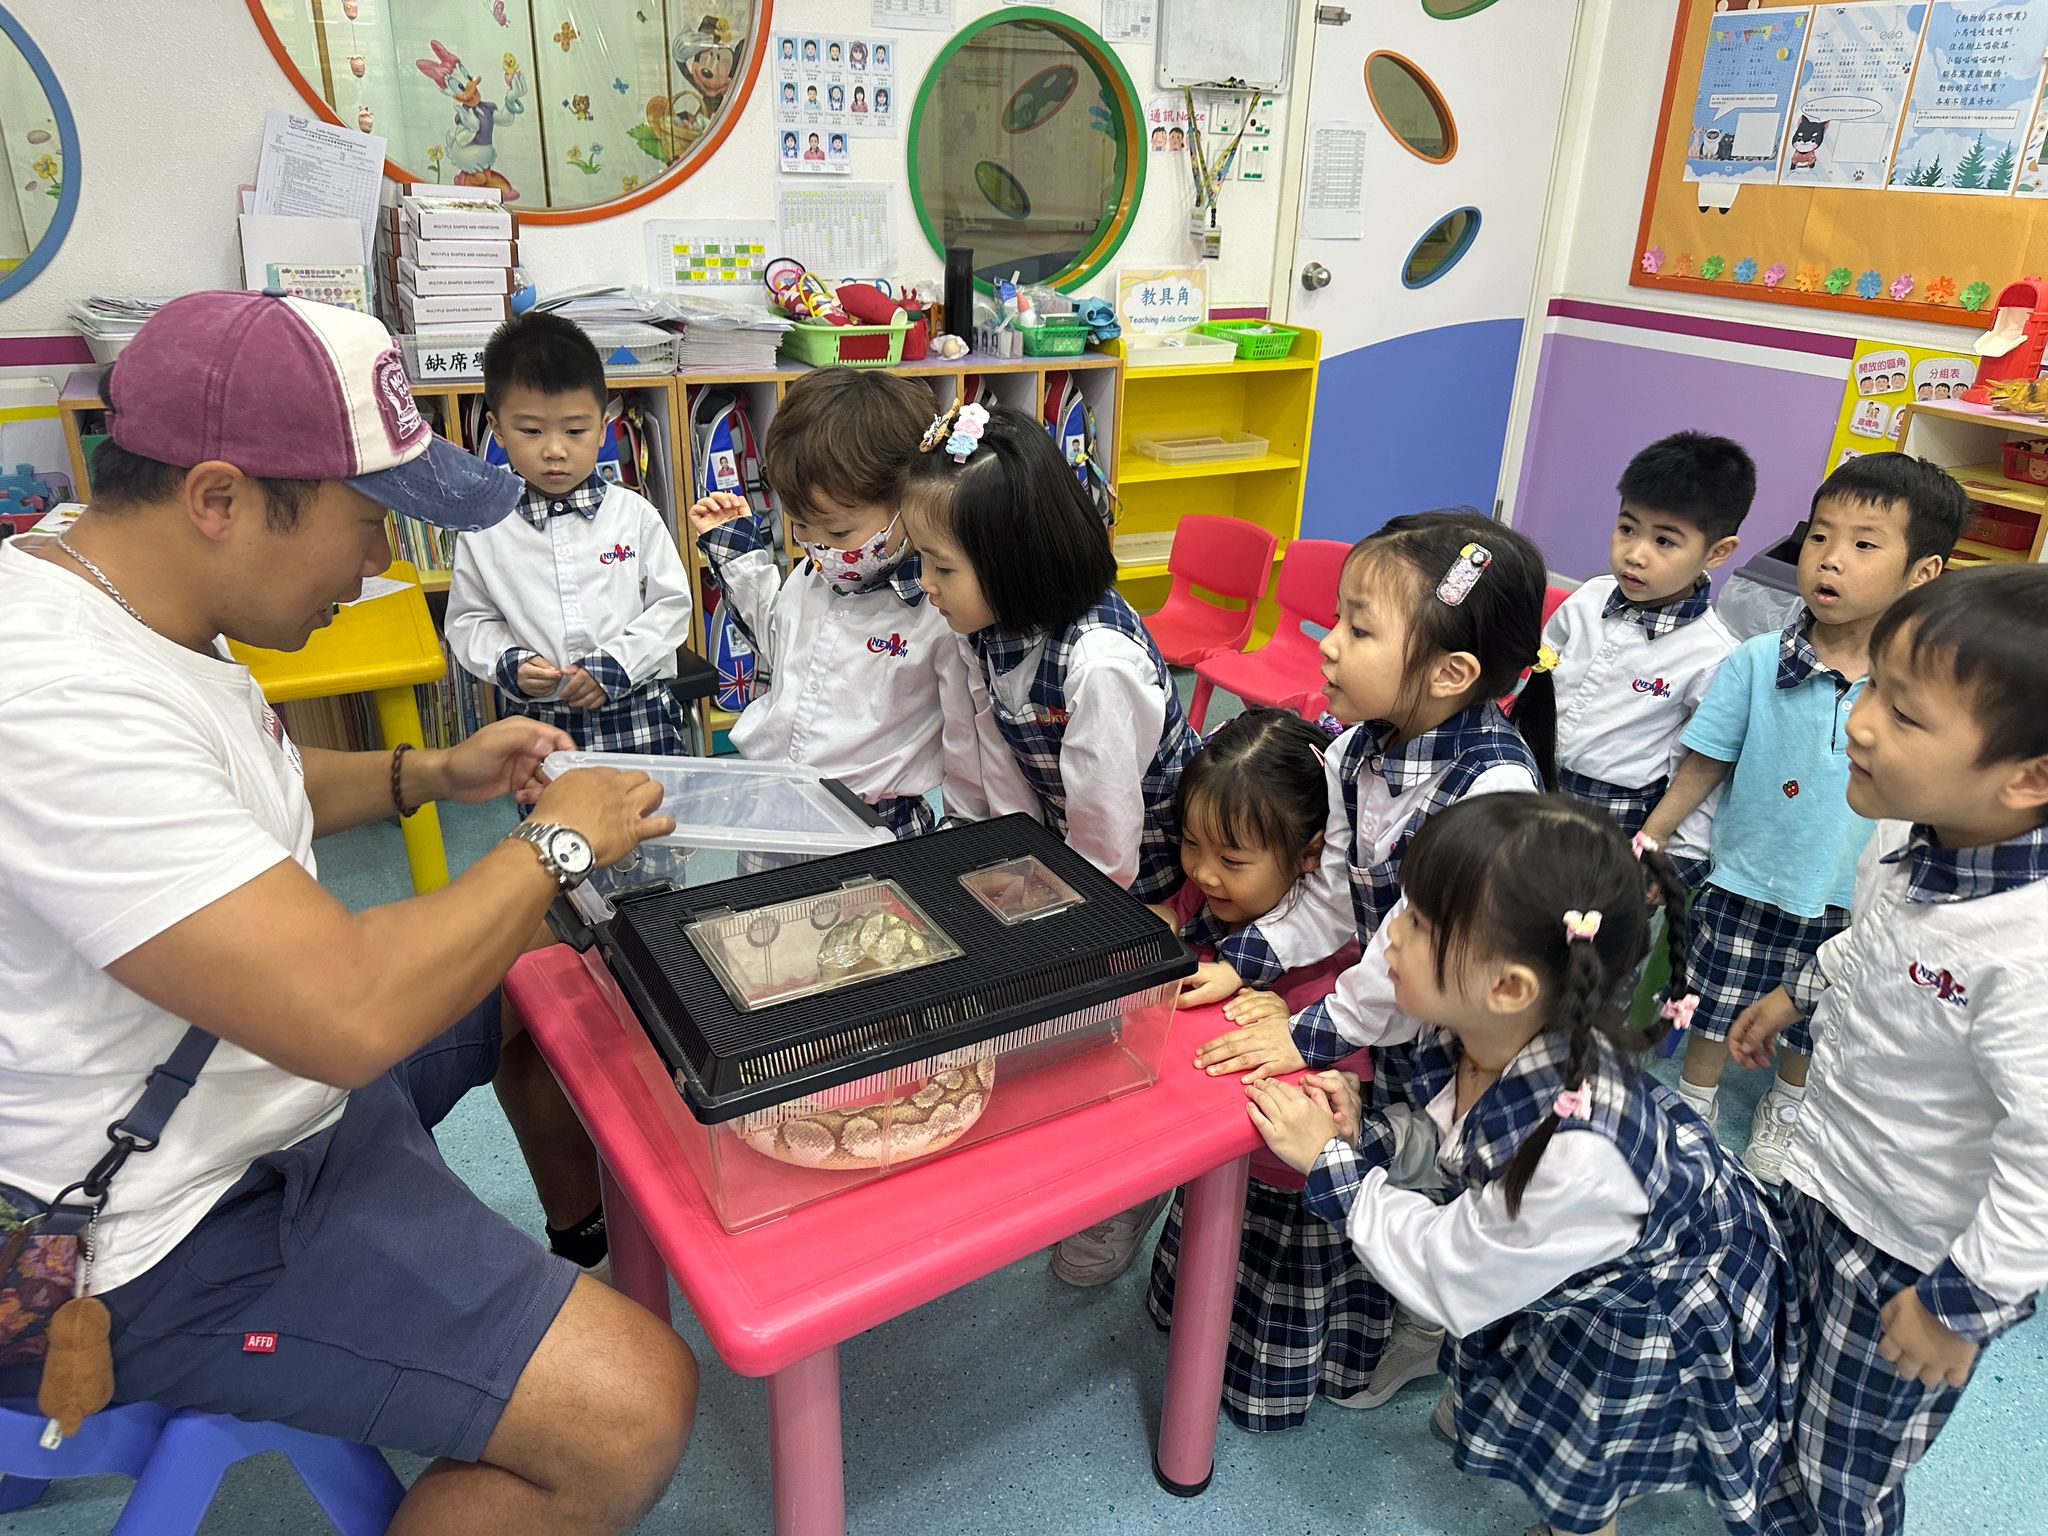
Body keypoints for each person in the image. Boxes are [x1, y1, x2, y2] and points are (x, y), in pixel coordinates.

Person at [0, 292, 695, 1534]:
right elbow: (345, 1012)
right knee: (631, 1409)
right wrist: (554, 841)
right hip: (153, 1220)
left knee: (542, 975)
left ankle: (567, 1243)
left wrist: (423, 772)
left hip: (233, 1077)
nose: (378, 564)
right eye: (369, 523)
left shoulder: (108, 569)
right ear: (218, 499)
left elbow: (221, 798)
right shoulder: (56, 696)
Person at [1248, 794, 1811, 1536]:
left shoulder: (1575, 1153)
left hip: (1644, 1307)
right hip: (1570, 1262)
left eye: (1417, 923)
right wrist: (1367, 1135)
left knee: (1583, 1448)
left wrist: (1332, 1166)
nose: (1390, 936)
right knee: (1535, 1391)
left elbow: (1450, 1269)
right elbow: (1458, 1146)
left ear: (1508, 986)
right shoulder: (1480, 1030)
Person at [1162, 510, 1554, 1429]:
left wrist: (1304, 1034)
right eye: (1336, 618)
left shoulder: (1489, 791)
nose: (1328, 645)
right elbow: (1333, 897)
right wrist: (1244, 963)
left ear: (1451, 674)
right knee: (1390, 1160)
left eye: (1359, 629)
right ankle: (1389, 1319)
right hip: (1401, 1012)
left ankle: (1436, 1335)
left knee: (1450, 1182)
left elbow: (1404, 954)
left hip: (1471, 1035)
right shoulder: (1355, 750)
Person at [1729, 566, 2048, 1536]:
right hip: (1823, 1180)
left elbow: (2041, 1160)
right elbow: (1874, 939)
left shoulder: (2026, 951)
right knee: (1780, 1396)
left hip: (1914, 1257)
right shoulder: (1918, 840)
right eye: (1871, 687)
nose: (1858, 724)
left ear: (2029, 778)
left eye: (1903, 715)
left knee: (1846, 1470)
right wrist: (1799, 991)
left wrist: (1960, 1305)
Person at [906, 403, 1197, 1285]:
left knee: (1115, 1032)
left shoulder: (1098, 663)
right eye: (921, 560)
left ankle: (1127, 1188)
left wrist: (1061, 919)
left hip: (1145, 871)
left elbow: (1109, 840)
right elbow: (981, 765)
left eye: (941, 566)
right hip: (1055, 844)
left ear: (1014, 559)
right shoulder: (983, 630)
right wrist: (989, 873)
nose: (924, 584)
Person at [1641, 452, 1967, 1180]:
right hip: (1746, 878)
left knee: (1817, 1021)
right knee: (1711, 1000)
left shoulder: (1920, 685)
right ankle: (1694, 1099)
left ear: (1923, 573)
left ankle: (1788, 1108)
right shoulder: (1757, 661)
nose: (1830, 558)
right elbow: (1706, 762)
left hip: (1852, 897)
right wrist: (1654, 835)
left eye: (1863, 544)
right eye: (1819, 536)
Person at [686, 369, 984, 839]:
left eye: (839, 532)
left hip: (876, 822)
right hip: (775, 808)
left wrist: (967, 830)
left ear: (909, 504)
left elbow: (967, 735)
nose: (820, 548)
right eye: (801, 527)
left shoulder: (937, 611)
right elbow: (779, 644)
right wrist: (736, 554)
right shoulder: (815, 574)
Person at [1137, 708, 1364, 1307]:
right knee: (1198, 1284)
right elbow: (1178, 909)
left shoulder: (1334, 961)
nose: (1204, 872)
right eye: (1191, 844)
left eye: (1232, 861)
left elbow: (1349, 1078)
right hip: (1206, 1149)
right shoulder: (1210, 893)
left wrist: (1293, 1029)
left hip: (1288, 1176)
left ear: (1310, 854)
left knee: (1264, 1304)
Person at [445, 312, 693, 758]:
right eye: (531, 431)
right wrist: (509, 663)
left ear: (602, 429)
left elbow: (670, 607)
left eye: (575, 431)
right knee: (549, 807)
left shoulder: (633, 514)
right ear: (497, 430)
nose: (555, 450)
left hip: (637, 710)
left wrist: (616, 664)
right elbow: (470, 620)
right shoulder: (484, 529)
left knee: (652, 803)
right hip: (538, 720)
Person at [1545, 431, 1753, 887]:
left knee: (1592, 924)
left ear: (1717, 552)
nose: (1634, 555)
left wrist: (1675, 852)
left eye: (1664, 541)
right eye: (1627, 528)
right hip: (1537, 782)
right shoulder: (1589, 598)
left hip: (1619, 813)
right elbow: (1540, 677)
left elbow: (1704, 765)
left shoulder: (1713, 654)